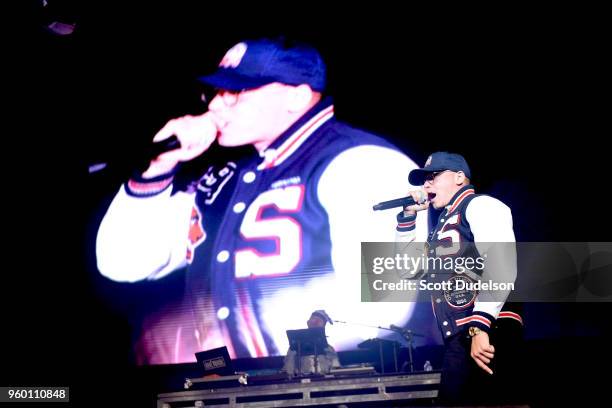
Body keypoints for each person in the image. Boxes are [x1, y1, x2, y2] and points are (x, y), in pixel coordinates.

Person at [95, 37, 428, 364]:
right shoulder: (224, 180)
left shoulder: (362, 161)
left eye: (236, 92)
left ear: (296, 96)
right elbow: (123, 262)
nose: (214, 105)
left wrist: (243, 332)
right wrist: (157, 169)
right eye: (214, 92)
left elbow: (386, 296)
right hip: (237, 391)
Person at [394, 152, 524, 404]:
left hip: (490, 326)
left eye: (433, 177)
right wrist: (408, 220)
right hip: (462, 334)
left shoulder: (481, 205)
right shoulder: (441, 227)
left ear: (459, 177)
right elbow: (409, 270)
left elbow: (501, 263)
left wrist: (481, 326)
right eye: (424, 180)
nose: (426, 184)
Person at [282, 310, 340, 376]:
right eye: (313, 320)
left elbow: (336, 368)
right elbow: (289, 368)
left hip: (324, 379)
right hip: (303, 381)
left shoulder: (328, 348)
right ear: (308, 323)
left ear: (323, 326)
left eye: (318, 321)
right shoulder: (295, 346)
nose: (315, 323)